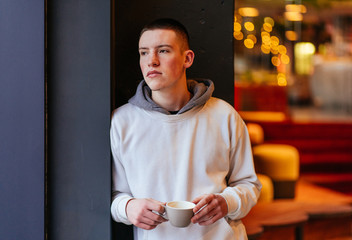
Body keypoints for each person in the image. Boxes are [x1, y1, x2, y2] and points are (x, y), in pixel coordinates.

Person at [110, 18, 261, 240]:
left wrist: (227, 202)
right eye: (143, 52)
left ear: (187, 58)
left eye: (163, 51)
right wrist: (128, 207)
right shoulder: (122, 121)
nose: (151, 61)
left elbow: (249, 184)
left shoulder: (224, 115)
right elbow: (114, 195)